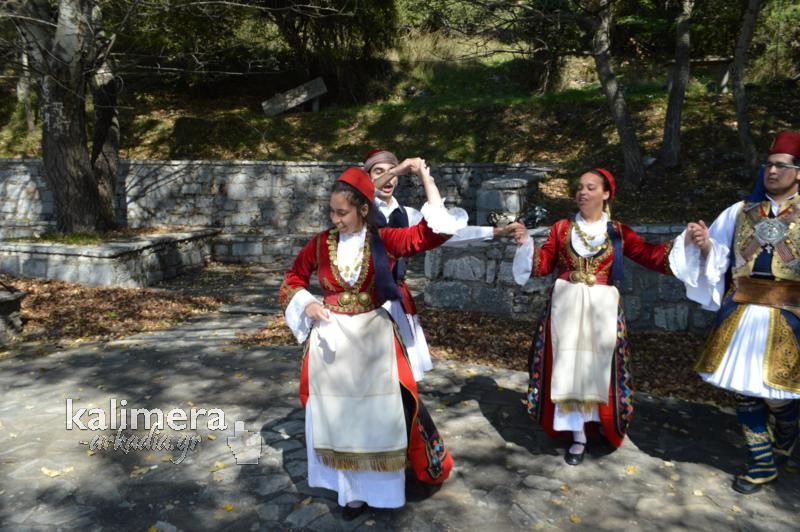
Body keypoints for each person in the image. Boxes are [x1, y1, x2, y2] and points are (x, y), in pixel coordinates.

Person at [279, 166, 464, 518]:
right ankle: (350, 491)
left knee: (379, 415)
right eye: (332, 212)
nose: (336, 220)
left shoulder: (384, 240)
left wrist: (427, 180)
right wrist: (308, 303)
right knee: (340, 416)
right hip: (332, 342)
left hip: (374, 340)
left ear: (363, 210)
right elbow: (292, 279)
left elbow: (432, 234)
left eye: (342, 213)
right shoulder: (319, 244)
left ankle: (381, 490)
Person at [511, 168, 674, 465]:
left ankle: (599, 423)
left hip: (602, 311)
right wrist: (525, 244)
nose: (582, 193)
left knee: (597, 367)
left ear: (606, 193)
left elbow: (651, 255)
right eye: (579, 188)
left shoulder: (618, 232)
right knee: (567, 366)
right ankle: (577, 435)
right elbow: (544, 264)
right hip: (565, 307)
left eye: (590, 187)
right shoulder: (562, 228)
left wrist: (688, 244)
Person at [671, 130, 800, 494]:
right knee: (745, 391)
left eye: (780, 165)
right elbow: (721, 256)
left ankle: (788, 436)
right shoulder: (739, 212)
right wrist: (704, 244)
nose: (771, 171)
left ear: (798, 172)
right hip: (743, 312)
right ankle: (762, 462)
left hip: (790, 315)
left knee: (780, 395)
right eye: (768, 165)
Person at [363, 148, 521, 381]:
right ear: (367, 176)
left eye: (391, 172)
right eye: (379, 171)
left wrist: (497, 231)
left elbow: (447, 233)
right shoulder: (360, 209)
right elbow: (359, 192)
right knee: (367, 371)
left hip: (395, 298)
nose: (388, 179)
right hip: (364, 299)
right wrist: (398, 169)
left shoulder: (407, 214)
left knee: (399, 374)